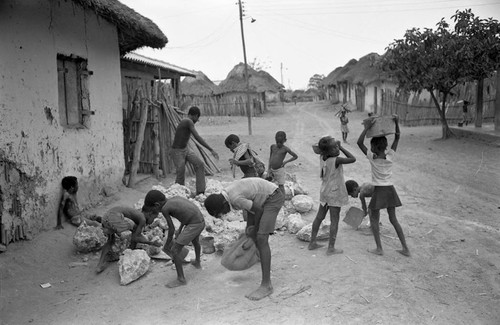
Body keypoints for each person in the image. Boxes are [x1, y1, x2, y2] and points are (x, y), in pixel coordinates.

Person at [204, 178, 285, 301]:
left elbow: (258, 210)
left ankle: (266, 285)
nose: (224, 215)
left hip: (273, 197)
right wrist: (250, 229)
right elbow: (252, 207)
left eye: (221, 213)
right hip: (263, 199)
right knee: (251, 231)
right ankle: (259, 256)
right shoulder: (228, 194)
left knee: (261, 238)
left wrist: (255, 230)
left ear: (224, 204)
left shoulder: (235, 198)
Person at [357, 115, 410, 257]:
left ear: (373, 147)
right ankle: (405, 248)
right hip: (390, 190)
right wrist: (397, 122)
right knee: (393, 219)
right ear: (386, 146)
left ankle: (379, 248)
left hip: (379, 190)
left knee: (374, 218)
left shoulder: (372, 158)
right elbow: (397, 137)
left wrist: (367, 127)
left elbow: (359, 142)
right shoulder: (390, 156)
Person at [141, 190, 205, 288]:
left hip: (194, 224)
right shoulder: (174, 199)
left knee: (175, 250)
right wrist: (180, 229)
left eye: (154, 209)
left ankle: (181, 279)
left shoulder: (165, 209)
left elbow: (171, 228)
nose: (155, 212)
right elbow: (185, 215)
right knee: (195, 241)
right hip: (199, 220)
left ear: (157, 205)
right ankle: (197, 262)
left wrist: (167, 244)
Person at [308, 136, 356, 255]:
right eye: (334, 147)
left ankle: (312, 242)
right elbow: (353, 158)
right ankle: (331, 248)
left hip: (325, 191)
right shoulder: (336, 160)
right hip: (335, 192)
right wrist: (342, 147)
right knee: (334, 220)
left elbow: (317, 146)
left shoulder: (322, 157)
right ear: (328, 151)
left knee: (319, 217)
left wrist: (331, 146)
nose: (337, 148)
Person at [96, 206, 161, 273]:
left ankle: (99, 265)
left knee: (110, 240)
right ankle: (131, 253)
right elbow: (136, 237)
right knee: (135, 229)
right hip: (115, 217)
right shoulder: (142, 219)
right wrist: (151, 243)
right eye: (154, 218)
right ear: (150, 214)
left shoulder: (136, 214)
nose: (153, 220)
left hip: (106, 217)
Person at [171, 106, 219, 195]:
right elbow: (197, 137)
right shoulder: (188, 121)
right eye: (197, 118)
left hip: (185, 149)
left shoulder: (186, 121)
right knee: (180, 173)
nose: (197, 120)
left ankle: (200, 191)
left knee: (200, 164)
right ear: (195, 116)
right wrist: (211, 149)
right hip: (178, 151)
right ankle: (179, 193)